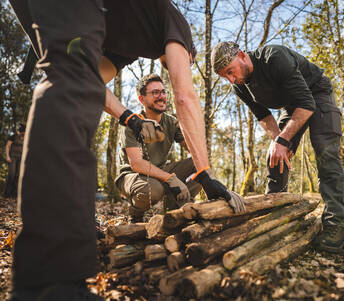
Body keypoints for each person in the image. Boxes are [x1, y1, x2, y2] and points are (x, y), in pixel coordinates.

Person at [8, 0, 244, 300]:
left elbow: (90, 81)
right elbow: (185, 96)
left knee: (67, 77)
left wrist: (126, 116)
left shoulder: (126, 43)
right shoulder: (177, 25)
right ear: (187, 52)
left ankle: (46, 274)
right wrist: (206, 174)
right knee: (67, 79)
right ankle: (49, 282)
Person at [211, 42, 344, 253]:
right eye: (225, 77)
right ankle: (274, 218)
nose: (231, 79)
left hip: (316, 93)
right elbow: (263, 116)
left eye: (230, 71)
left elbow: (307, 102)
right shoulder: (239, 86)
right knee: (274, 156)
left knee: (326, 152)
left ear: (242, 55)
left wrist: (284, 140)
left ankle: (336, 224)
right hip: (293, 105)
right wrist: (279, 142)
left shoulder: (274, 56)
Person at [117, 74, 202, 222]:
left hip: (159, 171)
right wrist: (170, 178)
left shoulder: (171, 122)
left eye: (163, 92)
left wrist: (188, 121)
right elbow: (136, 164)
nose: (161, 96)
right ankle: (135, 215)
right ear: (142, 99)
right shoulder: (132, 124)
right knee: (154, 189)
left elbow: (195, 149)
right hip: (132, 176)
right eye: (155, 93)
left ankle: (179, 211)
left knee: (199, 164)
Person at [4, 124, 25, 200]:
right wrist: (7, 156)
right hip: (13, 157)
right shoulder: (13, 136)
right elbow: (7, 146)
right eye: (23, 133)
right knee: (11, 174)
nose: (24, 134)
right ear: (20, 131)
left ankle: (14, 195)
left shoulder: (25, 138)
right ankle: (7, 194)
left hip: (21, 158)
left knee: (18, 175)